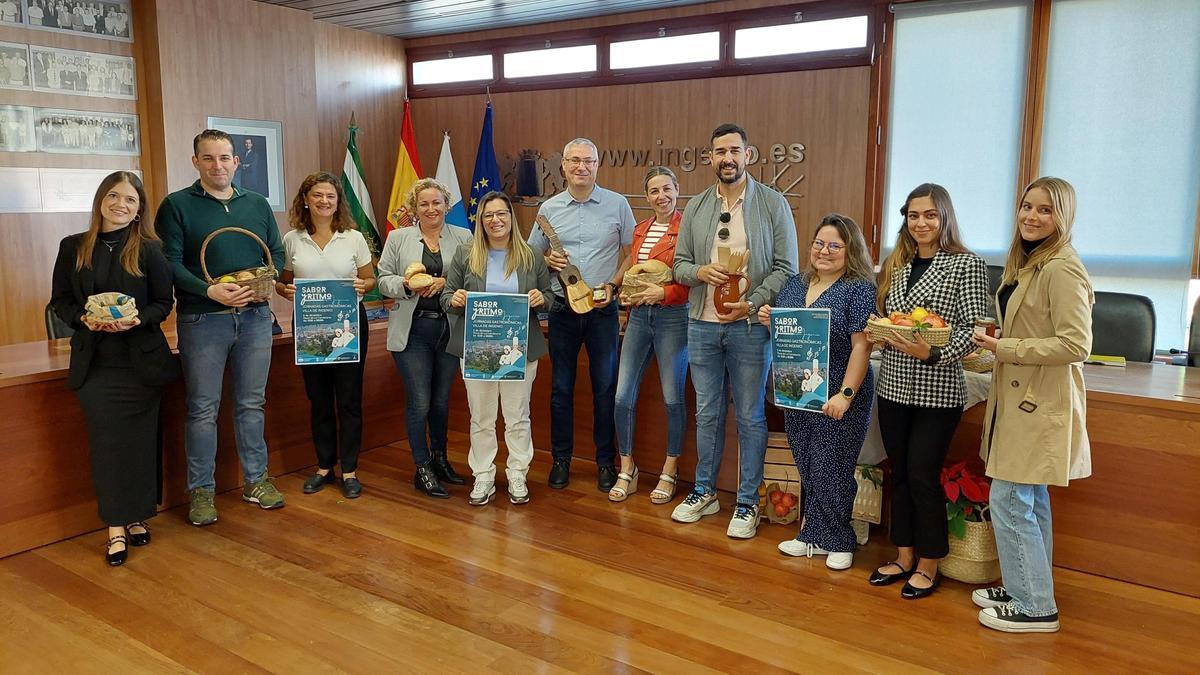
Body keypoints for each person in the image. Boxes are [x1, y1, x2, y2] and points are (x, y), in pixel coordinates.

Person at [970, 177, 1093, 633]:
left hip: (1039, 402)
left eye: (1045, 209)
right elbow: (1036, 328)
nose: (1032, 216)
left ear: (1063, 217)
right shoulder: (1031, 261)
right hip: (1022, 397)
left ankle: (1036, 606)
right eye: (1027, 206)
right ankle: (1026, 586)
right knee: (1029, 498)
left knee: (1010, 499)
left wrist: (1006, 348)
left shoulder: (1062, 267)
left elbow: (1075, 344)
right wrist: (1000, 339)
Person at [671, 123, 799, 539]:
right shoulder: (695, 207)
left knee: (749, 415)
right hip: (702, 326)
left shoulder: (773, 204)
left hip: (749, 328)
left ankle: (747, 503)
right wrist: (700, 271)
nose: (726, 158)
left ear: (748, 154)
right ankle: (705, 491)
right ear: (710, 158)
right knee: (707, 412)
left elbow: (787, 270)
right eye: (719, 152)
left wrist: (755, 301)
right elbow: (679, 266)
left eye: (734, 150)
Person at [158, 128, 287, 526]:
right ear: (195, 161)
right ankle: (201, 491)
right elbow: (170, 264)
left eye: (225, 158)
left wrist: (263, 281)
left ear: (236, 161)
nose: (218, 165)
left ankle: (255, 480)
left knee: (251, 404)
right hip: (202, 319)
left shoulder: (257, 204)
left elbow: (277, 252)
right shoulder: (176, 205)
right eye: (209, 158)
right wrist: (209, 291)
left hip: (254, 318)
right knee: (202, 409)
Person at [50, 171, 178, 566]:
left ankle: (138, 517)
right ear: (101, 200)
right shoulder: (73, 247)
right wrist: (84, 320)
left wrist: (137, 319)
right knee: (108, 446)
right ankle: (115, 528)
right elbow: (60, 301)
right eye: (114, 196)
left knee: (141, 444)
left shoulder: (149, 250)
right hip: (97, 366)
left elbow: (163, 301)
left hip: (140, 364)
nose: (121, 204)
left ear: (139, 210)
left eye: (131, 200)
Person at [868, 183, 989, 598]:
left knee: (922, 475)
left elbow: (975, 332)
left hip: (938, 391)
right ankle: (903, 555)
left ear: (945, 218)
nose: (921, 223)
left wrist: (932, 355)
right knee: (898, 472)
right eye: (913, 215)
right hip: (893, 388)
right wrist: (881, 332)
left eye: (930, 215)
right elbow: (894, 318)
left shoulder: (966, 264)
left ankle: (930, 561)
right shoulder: (897, 264)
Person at [759, 215, 876, 570]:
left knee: (833, 466)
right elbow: (791, 337)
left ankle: (840, 539)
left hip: (840, 391)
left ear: (850, 250)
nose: (824, 251)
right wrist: (771, 321)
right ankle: (812, 535)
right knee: (808, 463)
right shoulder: (795, 284)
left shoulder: (859, 289)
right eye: (818, 244)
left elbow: (863, 347)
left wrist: (846, 394)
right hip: (798, 390)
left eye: (834, 246)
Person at [528, 137, 636, 492]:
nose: (580, 167)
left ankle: (606, 463)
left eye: (587, 161)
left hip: (603, 313)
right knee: (561, 389)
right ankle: (561, 459)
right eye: (574, 161)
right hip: (561, 310)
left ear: (597, 165)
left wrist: (613, 286)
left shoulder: (618, 205)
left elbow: (632, 254)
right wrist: (547, 261)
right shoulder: (549, 209)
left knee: (605, 389)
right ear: (563, 166)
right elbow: (530, 257)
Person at [443, 191, 554, 506]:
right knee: (482, 416)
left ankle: (517, 472)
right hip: (477, 348)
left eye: (501, 213)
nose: (496, 220)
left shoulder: (531, 254)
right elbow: (446, 295)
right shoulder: (466, 254)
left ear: (511, 217)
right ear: (481, 221)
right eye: (489, 215)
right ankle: (484, 475)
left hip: (521, 349)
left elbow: (550, 295)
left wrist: (540, 299)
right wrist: (454, 299)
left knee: (518, 415)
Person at [276, 171, 375, 499]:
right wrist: (283, 289)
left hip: (349, 328)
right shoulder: (291, 239)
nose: (324, 201)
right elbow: (282, 280)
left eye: (330, 196)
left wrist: (364, 285)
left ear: (338, 202)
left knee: (348, 401)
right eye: (317, 195)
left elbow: (369, 279)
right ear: (305, 199)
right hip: (310, 328)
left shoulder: (354, 238)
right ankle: (324, 467)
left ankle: (349, 470)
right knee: (318, 401)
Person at [378, 178, 473, 498]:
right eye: (424, 204)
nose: (431, 209)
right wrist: (407, 285)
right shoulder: (398, 238)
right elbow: (382, 280)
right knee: (419, 401)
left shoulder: (464, 237)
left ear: (447, 205)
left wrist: (445, 280)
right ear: (414, 209)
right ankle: (422, 467)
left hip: (449, 328)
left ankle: (441, 459)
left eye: (437, 203)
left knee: (441, 402)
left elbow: (474, 277)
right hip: (413, 330)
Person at [610, 167, 691, 505]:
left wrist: (663, 294)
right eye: (654, 191)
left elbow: (691, 280)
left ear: (677, 190)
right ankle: (627, 469)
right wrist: (619, 290)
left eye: (667, 189)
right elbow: (632, 268)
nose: (662, 196)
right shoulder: (641, 229)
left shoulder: (688, 228)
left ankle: (669, 471)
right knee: (622, 396)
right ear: (646, 197)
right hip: (638, 319)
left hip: (674, 318)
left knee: (673, 398)